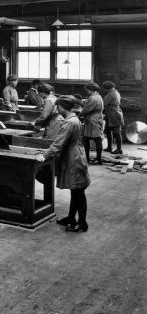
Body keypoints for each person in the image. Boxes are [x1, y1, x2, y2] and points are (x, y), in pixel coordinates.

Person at [37, 96, 91, 233]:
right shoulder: (74, 119)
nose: (56, 109)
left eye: (58, 107)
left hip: (73, 158)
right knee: (76, 191)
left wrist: (44, 156)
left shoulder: (69, 123)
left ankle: (82, 223)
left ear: (62, 107)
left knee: (78, 192)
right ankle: (71, 218)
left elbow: (58, 143)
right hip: (76, 154)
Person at [80, 82, 104, 165]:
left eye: (87, 90)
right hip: (97, 119)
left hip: (92, 120)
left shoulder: (93, 98)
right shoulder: (98, 96)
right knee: (96, 139)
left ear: (91, 90)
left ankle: (89, 158)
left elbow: (86, 110)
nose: (86, 91)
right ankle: (98, 158)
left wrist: (80, 114)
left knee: (89, 139)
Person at [103, 81, 124, 154]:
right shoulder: (116, 92)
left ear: (108, 89)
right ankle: (109, 147)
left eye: (105, 89)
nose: (104, 90)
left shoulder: (111, 94)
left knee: (116, 132)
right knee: (108, 131)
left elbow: (104, 103)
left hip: (114, 114)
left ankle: (119, 149)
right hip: (112, 114)